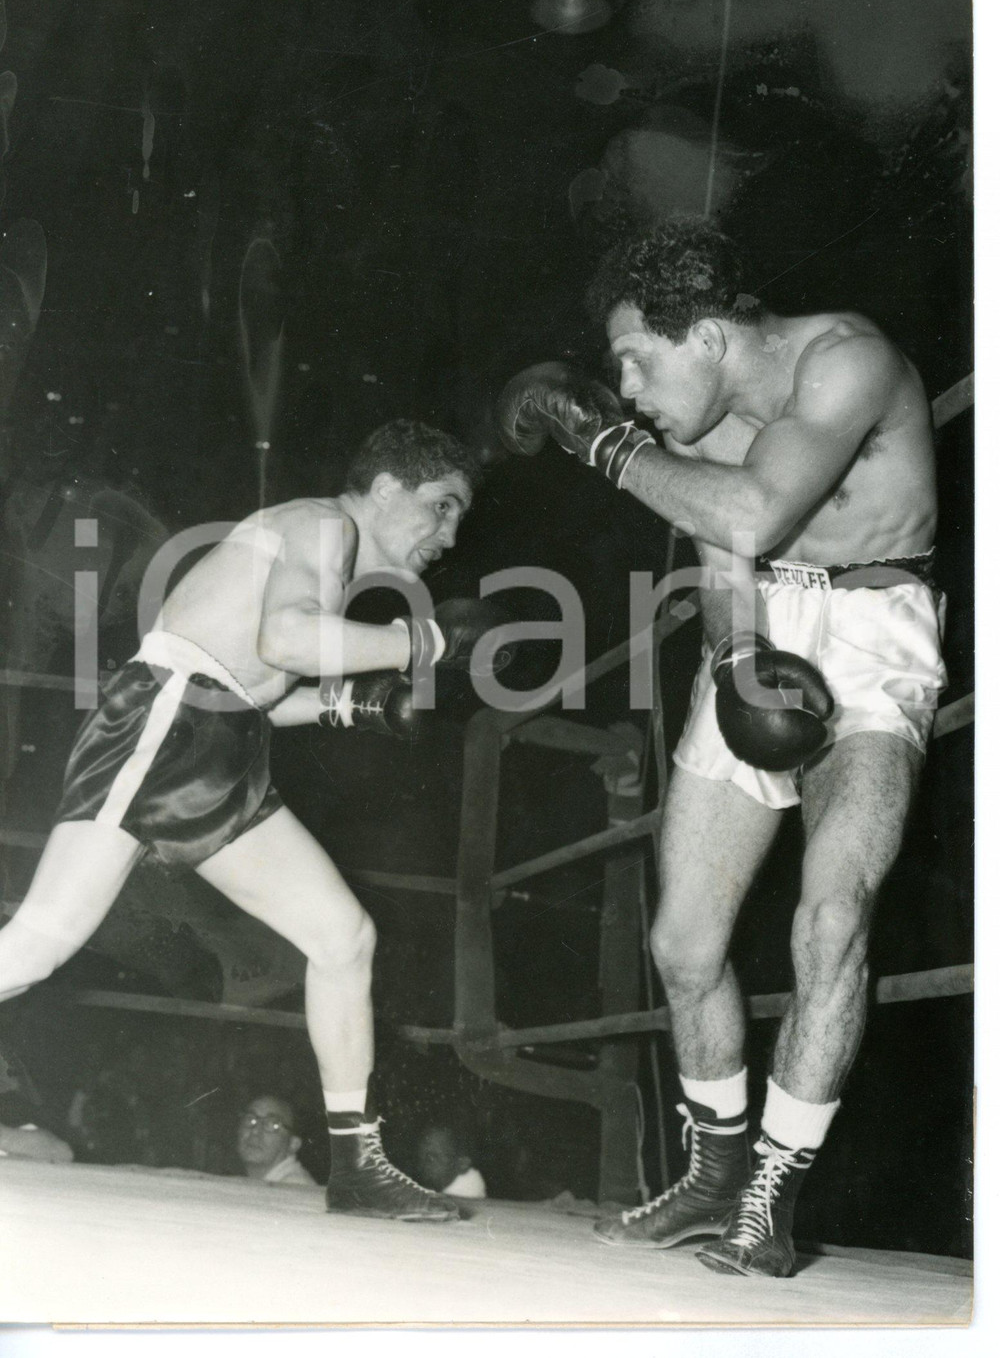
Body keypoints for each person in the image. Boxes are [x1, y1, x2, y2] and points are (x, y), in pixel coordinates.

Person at [498, 218, 946, 1277]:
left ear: (700, 333)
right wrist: (742, 659)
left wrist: (604, 443)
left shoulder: (847, 360)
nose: (630, 392)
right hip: (762, 637)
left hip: (874, 634)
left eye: (633, 361)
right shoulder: (688, 435)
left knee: (833, 912)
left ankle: (774, 1195)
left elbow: (750, 508)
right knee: (684, 944)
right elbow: (723, 560)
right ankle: (711, 1173)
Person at [0, 418, 492, 1222]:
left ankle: (358, 1165)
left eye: (459, 517)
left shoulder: (321, 551)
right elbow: (287, 638)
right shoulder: (323, 524)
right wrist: (423, 642)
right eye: (439, 505)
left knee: (343, 936)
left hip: (220, 740)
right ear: (386, 486)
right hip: (165, 727)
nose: (448, 533)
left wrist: (347, 704)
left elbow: (256, 685)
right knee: (40, 944)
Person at [236, 1094, 316, 1186]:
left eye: (272, 1124)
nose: (255, 1131)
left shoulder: (294, 1187)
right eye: (250, 1119)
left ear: (293, 1144)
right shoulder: (258, 1184)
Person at [414, 1122, 487, 1198]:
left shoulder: (466, 1195)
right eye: (420, 1156)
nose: (423, 1164)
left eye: (433, 1157)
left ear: (463, 1164)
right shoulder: (440, 1185)